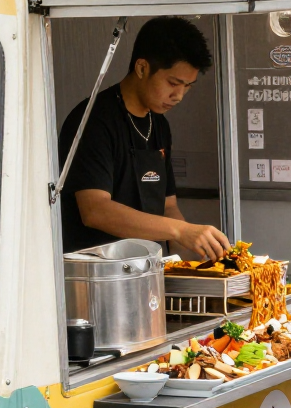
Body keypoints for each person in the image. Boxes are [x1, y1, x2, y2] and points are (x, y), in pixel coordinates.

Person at [58, 16, 231, 260]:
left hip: (147, 272)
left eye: (188, 86)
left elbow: (168, 206)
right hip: (98, 276)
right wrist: (182, 230)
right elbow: (95, 209)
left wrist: (195, 260)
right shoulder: (93, 121)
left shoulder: (159, 125)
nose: (179, 96)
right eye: (173, 83)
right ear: (142, 68)